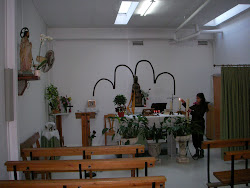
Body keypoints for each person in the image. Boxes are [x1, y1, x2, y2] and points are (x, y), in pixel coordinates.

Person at [181, 93, 209, 159]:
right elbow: (189, 108)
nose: (197, 99)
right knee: (194, 138)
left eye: (198, 98)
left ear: (202, 99)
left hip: (200, 123)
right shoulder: (195, 105)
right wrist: (184, 103)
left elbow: (200, 114)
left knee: (200, 138)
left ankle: (201, 151)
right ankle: (196, 151)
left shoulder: (203, 106)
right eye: (196, 98)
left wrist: (192, 112)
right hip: (194, 123)